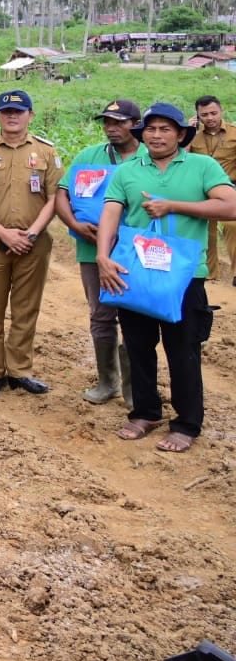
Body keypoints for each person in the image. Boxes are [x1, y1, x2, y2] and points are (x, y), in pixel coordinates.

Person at [98, 103, 236, 453]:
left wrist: (173, 205)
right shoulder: (128, 171)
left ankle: (187, 423)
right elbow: (111, 213)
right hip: (137, 273)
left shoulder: (202, 166)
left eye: (165, 129)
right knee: (139, 346)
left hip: (185, 276)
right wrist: (103, 256)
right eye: (150, 129)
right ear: (141, 134)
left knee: (183, 350)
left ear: (180, 134)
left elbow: (231, 206)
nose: (156, 135)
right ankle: (145, 412)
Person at [0, 90, 60, 397]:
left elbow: (54, 198)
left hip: (33, 244)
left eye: (19, 111)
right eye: (6, 111)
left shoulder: (46, 152)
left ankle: (20, 370)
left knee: (25, 310)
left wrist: (32, 233)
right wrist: (2, 233)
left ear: (30, 115)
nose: (12, 116)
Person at [56, 99, 142, 405]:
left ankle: (136, 391)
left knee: (136, 318)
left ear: (136, 123)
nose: (111, 128)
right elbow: (61, 195)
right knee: (101, 316)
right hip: (92, 251)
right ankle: (108, 382)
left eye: (119, 122)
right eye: (107, 122)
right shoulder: (88, 156)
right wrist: (76, 226)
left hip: (135, 253)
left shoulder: (150, 155)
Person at [189, 95, 236, 281]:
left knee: (233, 228)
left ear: (221, 111)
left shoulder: (234, 133)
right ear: (198, 116)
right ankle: (209, 275)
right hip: (201, 191)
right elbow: (182, 158)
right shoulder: (193, 135)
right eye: (204, 115)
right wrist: (187, 134)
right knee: (206, 232)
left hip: (228, 189)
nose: (210, 118)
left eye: (213, 113)